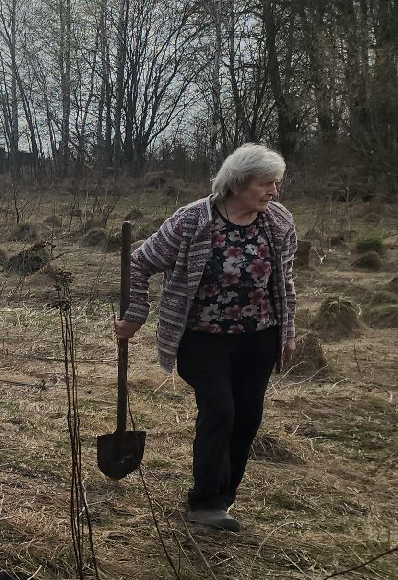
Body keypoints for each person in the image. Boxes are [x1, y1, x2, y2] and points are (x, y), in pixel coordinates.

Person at [115, 144, 297, 531]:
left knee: (247, 417)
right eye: (266, 183)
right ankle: (206, 502)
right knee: (221, 410)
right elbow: (140, 263)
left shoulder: (277, 222)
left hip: (258, 337)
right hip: (202, 337)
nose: (273, 192)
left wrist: (289, 332)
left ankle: (224, 497)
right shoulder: (193, 220)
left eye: (276, 184)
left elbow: (285, 283)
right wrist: (134, 316)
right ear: (238, 182)